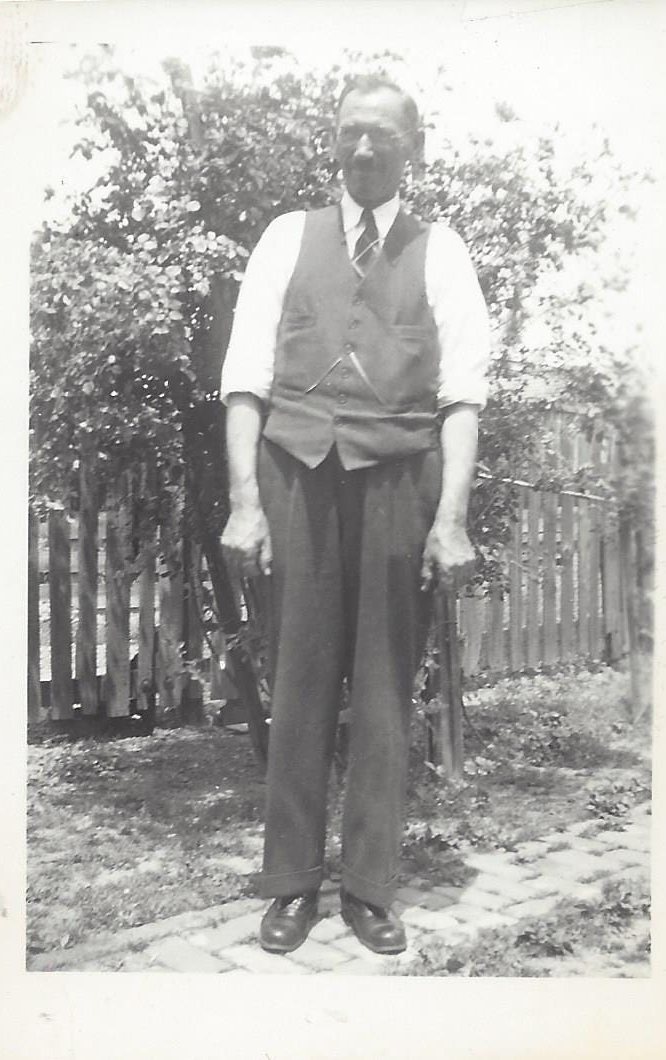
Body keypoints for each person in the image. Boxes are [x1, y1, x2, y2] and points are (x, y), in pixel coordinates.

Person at [220, 74, 490, 955]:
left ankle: (370, 889)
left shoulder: (440, 250)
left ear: (414, 147)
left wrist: (449, 520)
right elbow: (245, 380)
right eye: (349, 134)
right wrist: (245, 504)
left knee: (382, 690)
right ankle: (292, 883)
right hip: (295, 479)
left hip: (395, 491)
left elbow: (461, 401)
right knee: (298, 684)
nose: (364, 149)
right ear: (332, 140)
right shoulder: (283, 240)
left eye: (382, 135)